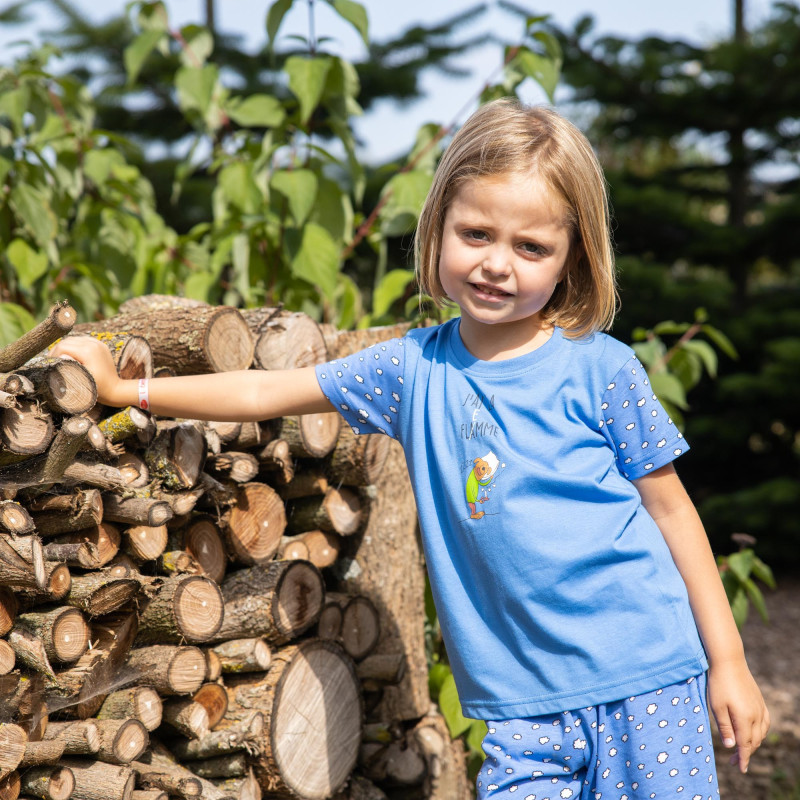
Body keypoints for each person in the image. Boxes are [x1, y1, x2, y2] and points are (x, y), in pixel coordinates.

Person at [53, 98, 769, 799]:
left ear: (571, 258)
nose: (497, 264)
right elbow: (263, 392)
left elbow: (673, 514)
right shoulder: (412, 370)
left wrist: (728, 663)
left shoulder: (603, 370)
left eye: (532, 247)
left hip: (645, 676)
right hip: (519, 706)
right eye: (477, 234)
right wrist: (127, 392)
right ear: (439, 228)